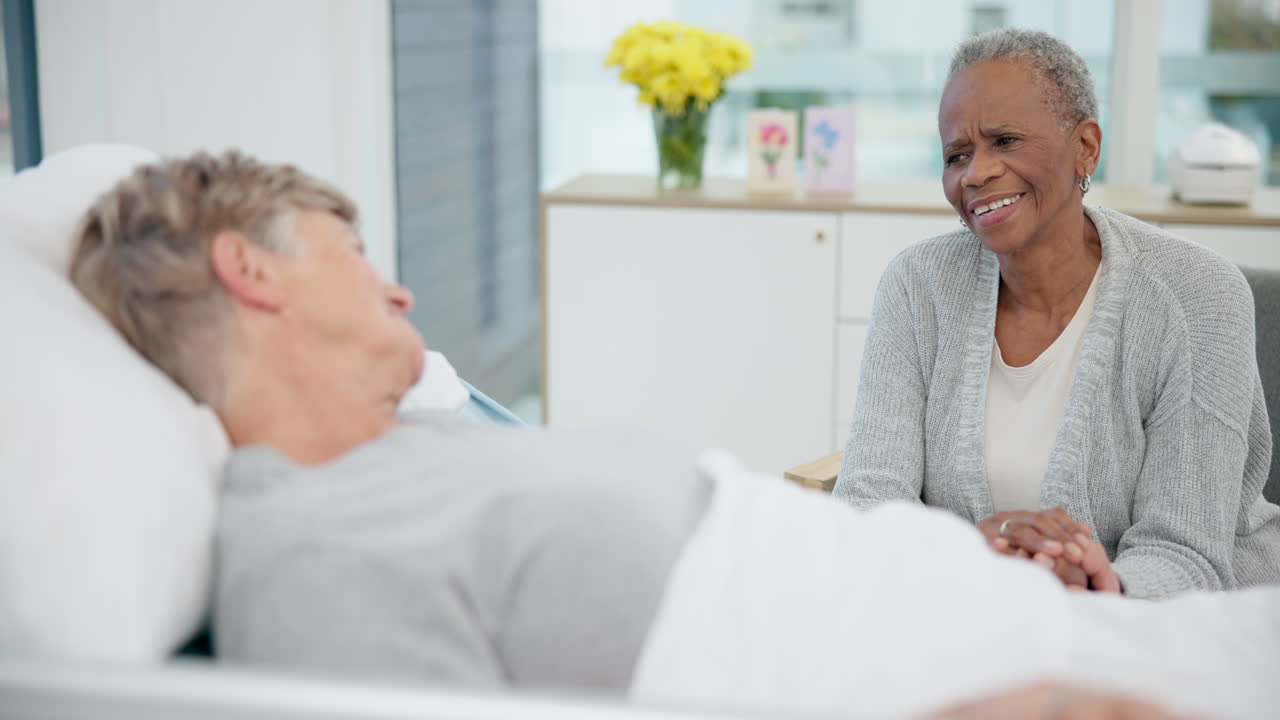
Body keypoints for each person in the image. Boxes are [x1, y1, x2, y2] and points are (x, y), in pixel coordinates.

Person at [67, 150, 1278, 720]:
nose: (399, 294)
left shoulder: (423, 445)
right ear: (249, 270)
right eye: (356, 255)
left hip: (1028, 615)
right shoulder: (309, 558)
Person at [832, 28, 1280, 598]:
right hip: (982, 607)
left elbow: (1188, 554)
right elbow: (868, 505)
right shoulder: (917, 286)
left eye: (1006, 141)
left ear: (1086, 147)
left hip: (1169, 624)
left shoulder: (1197, 295)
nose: (975, 174)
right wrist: (977, 552)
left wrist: (1095, 581)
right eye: (957, 155)